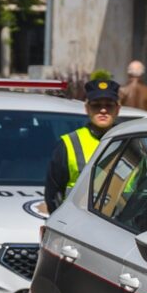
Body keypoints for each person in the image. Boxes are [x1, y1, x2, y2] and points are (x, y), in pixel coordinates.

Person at [44, 77, 121, 213]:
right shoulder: (68, 144)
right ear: (87, 108)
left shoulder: (130, 141)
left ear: (118, 109)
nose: (103, 110)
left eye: (109, 105)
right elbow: (53, 194)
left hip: (122, 226)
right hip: (77, 226)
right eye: (96, 105)